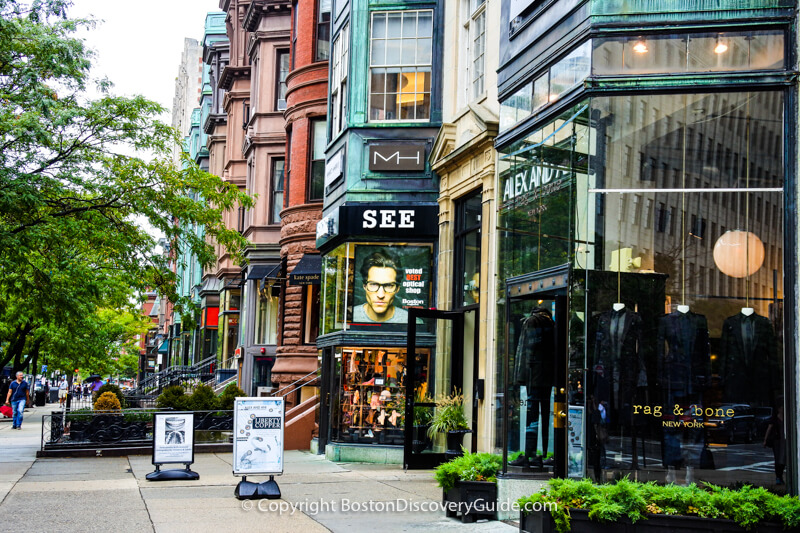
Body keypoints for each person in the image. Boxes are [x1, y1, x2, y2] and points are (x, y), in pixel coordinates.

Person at [353, 250, 408, 324]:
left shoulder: (413, 322)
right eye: (373, 284)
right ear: (364, 286)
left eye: (389, 285)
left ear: (397, 288)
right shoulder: (350, 317)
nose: (380, 295)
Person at [763, 405, 786, 485]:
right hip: (777, 441)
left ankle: (780, 476)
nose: (782, 409)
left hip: (785, 440)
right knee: (778, 458)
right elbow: (769, 428)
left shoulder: (787, 417)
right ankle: (778, 477)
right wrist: (765, 440)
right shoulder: (775, 419)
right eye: (781, 407)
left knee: (783, 459)